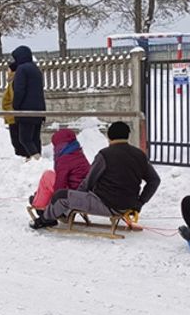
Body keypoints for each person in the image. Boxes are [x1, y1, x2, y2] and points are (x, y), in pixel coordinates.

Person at [31, 121, 159, 229]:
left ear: (109, 136)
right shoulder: (139, 155)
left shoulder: (105, 155)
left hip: (105, 203)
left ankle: (44, 219)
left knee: (60, 196)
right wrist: (140, 202)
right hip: (129, 205)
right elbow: (154, 180)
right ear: (127, 136)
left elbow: (89, 182)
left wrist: (76, 198)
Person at [30, 128, 91, 211]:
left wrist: (54, 202)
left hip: (72, 194)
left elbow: (60, 184)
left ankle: (39, 205)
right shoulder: (78, 153)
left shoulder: (65, 159)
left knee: (47, 176)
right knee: (51, 179)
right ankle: (39, 197)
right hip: (83, 192)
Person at [11, 45, 45, 160]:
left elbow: (20, 90)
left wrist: (16, 106)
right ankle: (37, 161)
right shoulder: (35, 69)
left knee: (24, 138)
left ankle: (36, 159)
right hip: (39, 110)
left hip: (26, 110)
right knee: (35, 138)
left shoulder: (22, 69)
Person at [3, 61, 26, 158]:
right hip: (11, 114)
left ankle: (22, 157)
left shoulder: (14, 81)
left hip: (13, 115)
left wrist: (10, 108)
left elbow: (13, 98)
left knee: (17, 140)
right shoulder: (12, 81)